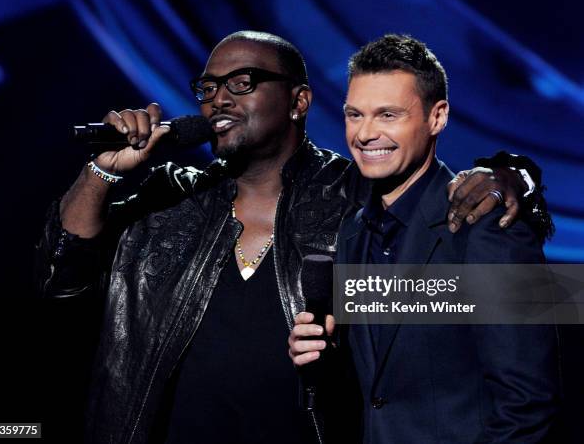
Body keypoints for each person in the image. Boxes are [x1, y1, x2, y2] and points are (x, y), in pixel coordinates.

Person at [36, 31, 548, 444]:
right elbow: (62, 277)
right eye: (209, 87)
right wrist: (103, 171)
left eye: (242, 83)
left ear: (299, 101)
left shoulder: (355, 196)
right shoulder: (168, 198)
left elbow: (517, 366)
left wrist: (513, 175)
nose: (219, 99)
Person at [288, 34, 560, 443]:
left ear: (437, 117)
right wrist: (321, 357)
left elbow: (527, 404)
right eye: (354, 114)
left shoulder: (488, 226)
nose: (364, 133)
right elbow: (383, 388)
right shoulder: (353, 234)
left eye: (388, 115)